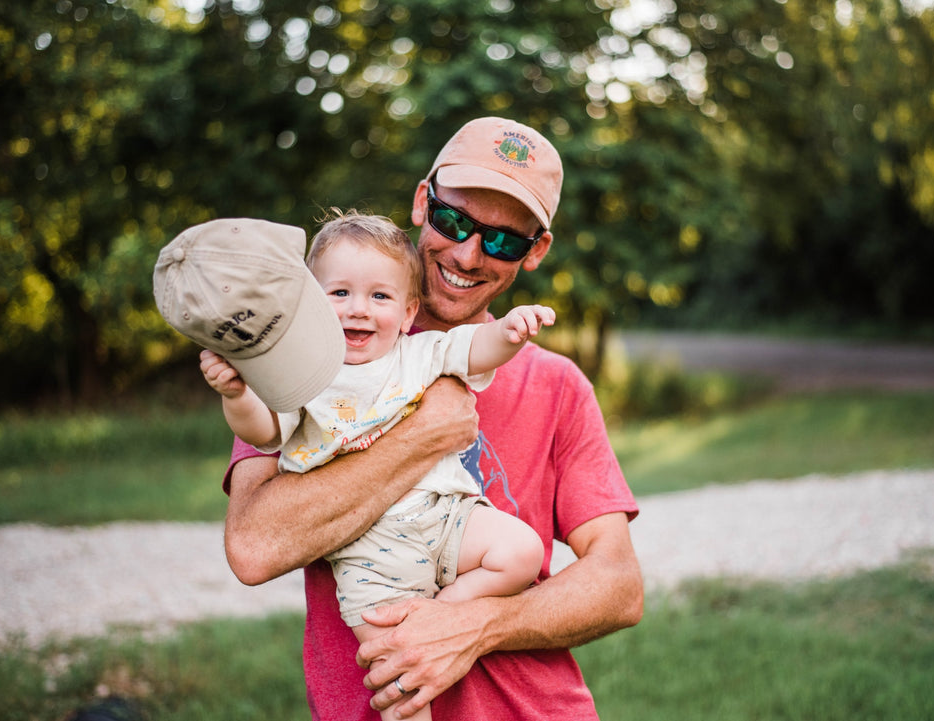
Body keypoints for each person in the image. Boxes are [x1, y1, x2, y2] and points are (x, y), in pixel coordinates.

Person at [221, 117, 644, 720]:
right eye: (454, 221)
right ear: (424, 202)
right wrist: (420, 439)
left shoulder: (557, 385)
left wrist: (472, 625)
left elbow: (619, 586)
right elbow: (255, 548)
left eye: (503, 240)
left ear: (535, 251)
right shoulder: (313, 365)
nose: (469, 254)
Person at [199, 209, 552, 721]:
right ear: (310, 308)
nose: (358, 310)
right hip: (368, 556)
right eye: (339, 294)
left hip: (446, 517)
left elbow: (477, 349)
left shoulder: (418, 352)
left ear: (409, 312)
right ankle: (416, 635)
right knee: (402, 685)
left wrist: (512, 332)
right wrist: (236, 394)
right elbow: (264, 430)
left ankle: (440, 614)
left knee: (522, 551)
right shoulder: (301, 377)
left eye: (379, 297)